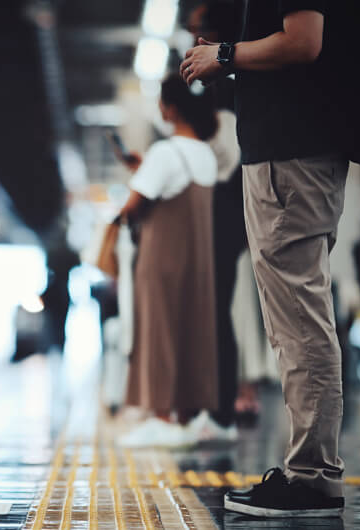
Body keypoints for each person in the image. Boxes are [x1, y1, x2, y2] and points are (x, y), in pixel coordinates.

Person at [180, 0, 347, 518]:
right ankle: (310, 472)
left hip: (288, 160)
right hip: (291, 156)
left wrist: (226, 56)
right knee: (296, 319)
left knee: (299, 321)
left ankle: (313, 477)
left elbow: (302, 41)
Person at [116, 74, 229, 448]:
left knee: (159, 332)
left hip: (162, 255)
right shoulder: (206, 154)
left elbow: (132, 207)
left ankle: (161, 416)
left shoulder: (166, 152)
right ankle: (183, 416)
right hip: (198, 260)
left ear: (171, 107)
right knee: (191, 333)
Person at [184, 0, 247, 437]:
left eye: (197, 31)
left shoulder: (224, 87)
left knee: (215, 308)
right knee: (212, 308)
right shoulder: (223, 86)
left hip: (224, 213)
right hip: (224, 212)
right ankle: (213, 404)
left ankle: (219, 408)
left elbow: (228, 155)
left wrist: (188, 159)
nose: (191, 41)